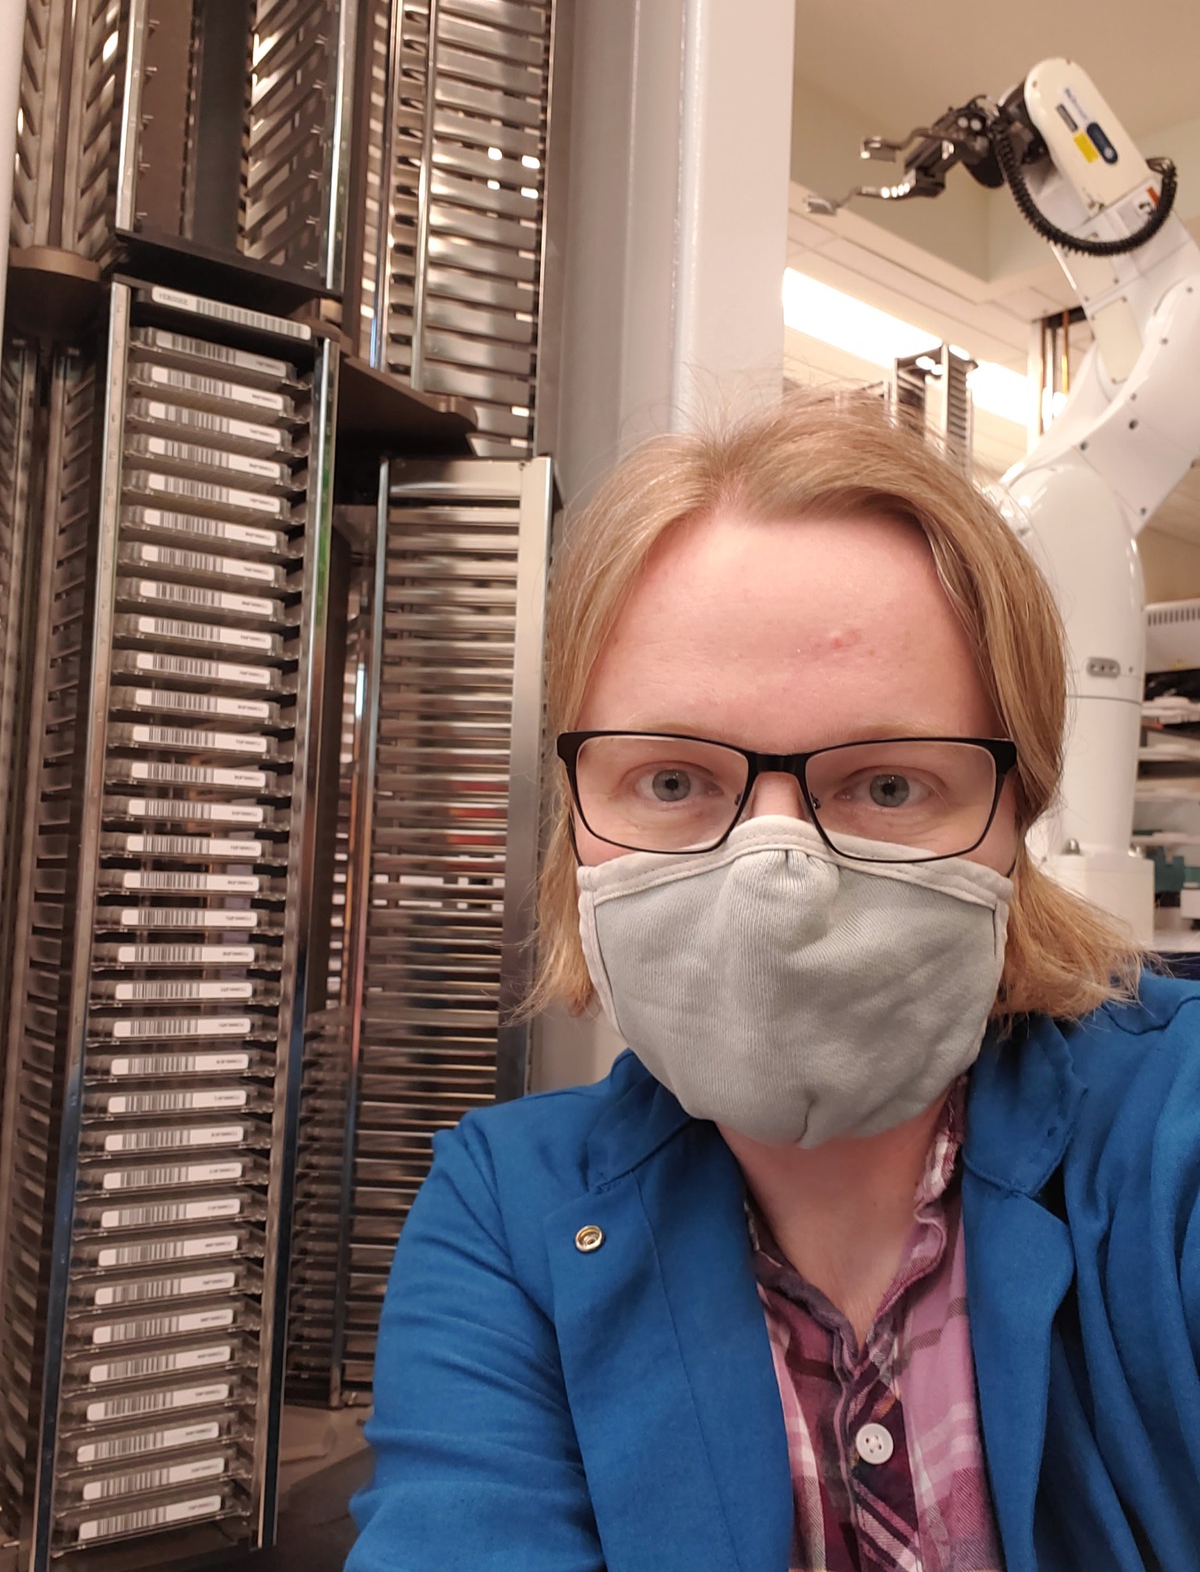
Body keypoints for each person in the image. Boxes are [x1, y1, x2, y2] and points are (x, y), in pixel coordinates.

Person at [345, 397, 1200, 1572]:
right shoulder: (511, 1218)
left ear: (1019, 816)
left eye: (887, 785)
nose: (777, 887)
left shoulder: (1174, 1142)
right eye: (674, 780)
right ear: (577, 818)